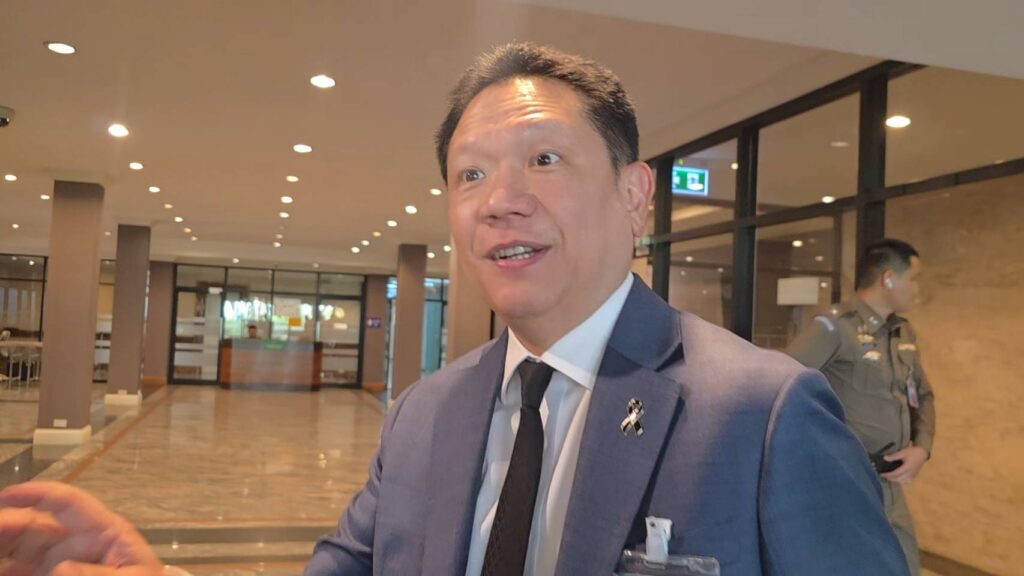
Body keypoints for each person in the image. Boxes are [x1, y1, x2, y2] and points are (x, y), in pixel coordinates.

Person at [0, 43, 908, 576]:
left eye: (544, 161)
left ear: (635, 196)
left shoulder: (763, 413)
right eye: (470, 174)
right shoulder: (426, 413)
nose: (499, 201)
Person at [787, 239, 935, 576]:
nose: (918, 289)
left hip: (890, 483)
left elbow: (923, 396)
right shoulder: (834, 327)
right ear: (888, 279)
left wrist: (922, 449)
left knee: (904, 566)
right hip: (846, 480)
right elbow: (782, 387)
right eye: (914, 278)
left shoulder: (903, 332)